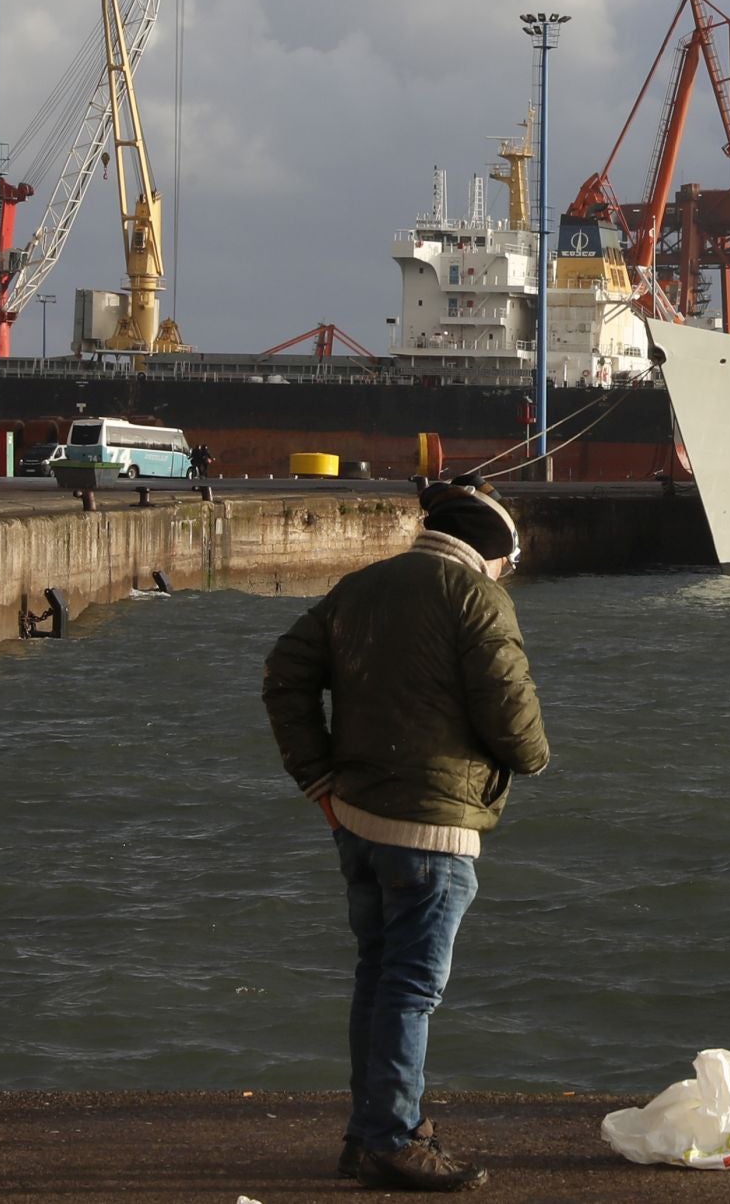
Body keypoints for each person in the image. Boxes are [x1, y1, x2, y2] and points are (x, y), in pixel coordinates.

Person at [262, 474, 548, 1192]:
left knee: (377, 977)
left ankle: (368, 1135)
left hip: (355, 817)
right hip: (432, 830)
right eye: (508, 563)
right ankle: (392, 1139)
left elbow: (284, 673)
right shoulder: (478, 599)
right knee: (411, 988)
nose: (507, 574)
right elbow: (518, 732)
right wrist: (536, 754)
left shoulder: (360, 586)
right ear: (489, 551)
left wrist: (317, 779)